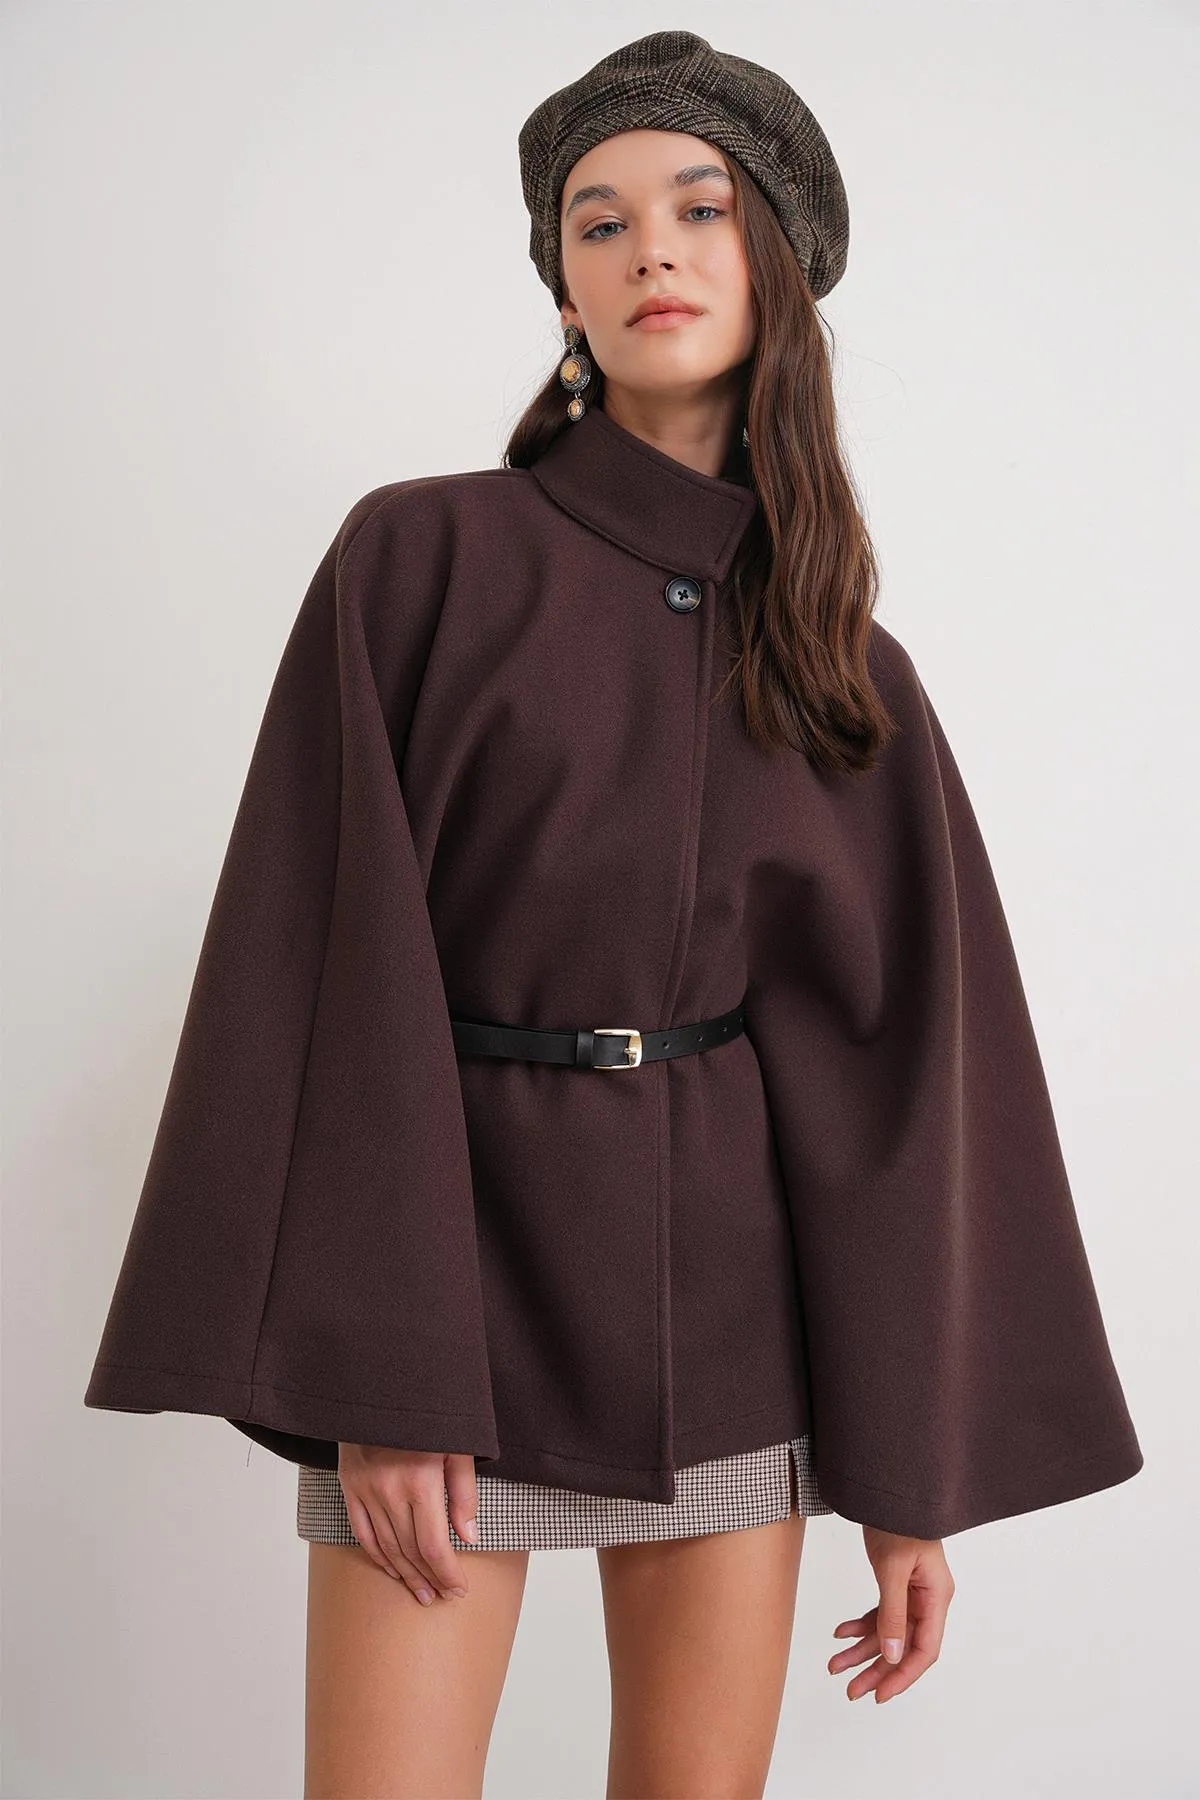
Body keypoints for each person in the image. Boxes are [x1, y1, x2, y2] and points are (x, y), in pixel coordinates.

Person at [83, 31, 1143, 1799]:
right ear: (563, 291)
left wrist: (910, 1481)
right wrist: (386, 1377)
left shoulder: (842, 665)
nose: (652, 247)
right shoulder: (418, 560)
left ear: (776, 262)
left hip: (732, 1330)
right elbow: (325, 969)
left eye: (700, 209)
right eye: (600, 221)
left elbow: (900, 1087)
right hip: (446, 1304)